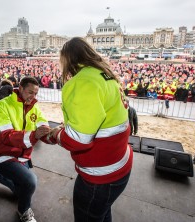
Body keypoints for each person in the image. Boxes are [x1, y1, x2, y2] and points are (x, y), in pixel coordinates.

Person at [49, 37, 133, 222]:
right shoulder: (105, 74)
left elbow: (78, 140)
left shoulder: (84, 82)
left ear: (68, 59)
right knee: (102, 215)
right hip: (119, 164)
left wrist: (56, 134)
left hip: (100, 176)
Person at [0, 77, 56, 222]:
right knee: (30, 182)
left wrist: (55, 134)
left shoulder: (34, 107)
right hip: (2, 155)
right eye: (30, 92)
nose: (33, 97)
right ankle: (24, 212)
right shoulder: (2, 106)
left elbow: (43, 128)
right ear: (20, 88)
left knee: (21, 191)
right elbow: (7, 137)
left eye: (35, 94)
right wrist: (35, 135)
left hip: (22, 156)